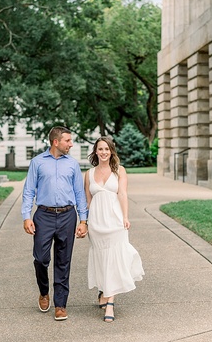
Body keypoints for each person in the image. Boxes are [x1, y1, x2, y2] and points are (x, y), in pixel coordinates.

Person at [22, 126, 89, 321]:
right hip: (44, 215)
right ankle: (44, 292)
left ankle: (61, 304)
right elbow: (28, 191)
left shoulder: (73, 165)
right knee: (41, 259)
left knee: (63, 261)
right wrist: (26, 216)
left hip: (68, 216)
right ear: (56, 142)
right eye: (68, 140)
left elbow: (79, 194)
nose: (71, 144)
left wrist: (83, 220)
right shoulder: (37, 162)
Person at [84, 136, 144, 322]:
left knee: (115, 259)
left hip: (115, 221)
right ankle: (104, 291)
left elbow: (123, 194)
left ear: (112, 151)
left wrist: (125, 217)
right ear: (95, 151)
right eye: (100, 149)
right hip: (97, 223)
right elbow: (88, 201)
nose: (103, 152)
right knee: (102, 259)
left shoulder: (119, 171)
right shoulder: (88, 173)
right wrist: (85, 222)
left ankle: (110, 302)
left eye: (106, 149)